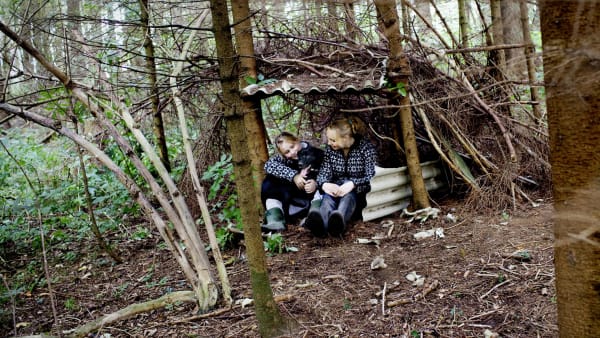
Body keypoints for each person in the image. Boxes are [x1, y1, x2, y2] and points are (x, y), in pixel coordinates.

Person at [304, 117, 376, 237]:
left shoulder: (366, 148)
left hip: (357, 193)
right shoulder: (330, 150)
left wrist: (353, 183)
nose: (329, 143)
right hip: (336, 188)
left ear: (346, 138)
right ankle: (321, 225)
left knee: (347, 198)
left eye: (333, 140)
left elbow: (372, 175)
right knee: (327, 199)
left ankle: (338, 223)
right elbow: (323, 172)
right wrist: (325, 184)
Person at [261, 132, 323, 232]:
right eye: (287, 152)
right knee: (269, 181)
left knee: (324, 188)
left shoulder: (317, 153)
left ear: (297, 140)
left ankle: (314, 216)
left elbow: (329, 172)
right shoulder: (285, 159)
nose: (292, 152)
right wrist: (293, 176)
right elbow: (268, 165)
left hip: (312, 197)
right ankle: (275, 220)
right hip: (292, 198)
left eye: (293, 146)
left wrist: (316, 183)